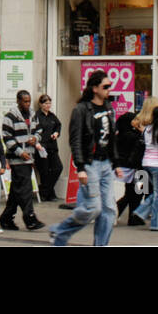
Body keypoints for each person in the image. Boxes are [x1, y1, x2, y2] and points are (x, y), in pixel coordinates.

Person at [51, 70, 118, 247]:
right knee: (93, 208)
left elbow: (111, 138)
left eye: (109, 86)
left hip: (106, 164)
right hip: (91, 164)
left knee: (109, 210)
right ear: (95, 88)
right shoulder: (81, 110)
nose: (108, 89)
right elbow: (75, 140)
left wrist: (116, 162)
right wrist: (80, 167)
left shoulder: (109, 108)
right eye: (105, 86)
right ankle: (61, 230)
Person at [0, 89, 45, 231]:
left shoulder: (33, 114)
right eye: (25, 101)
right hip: (17, 159)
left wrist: (35, 138)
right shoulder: (10, 117)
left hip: (29, 157)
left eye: (29, 101)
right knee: (26, 188)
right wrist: (20, 152)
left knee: (16, 190)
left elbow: (39, 130)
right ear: (18, 101)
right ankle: (30, 218)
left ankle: (6, 218)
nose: (28, 104)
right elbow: (7, 138)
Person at [114, 108, 147, 226]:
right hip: (136, 167)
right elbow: (141, 147)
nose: (137, 121)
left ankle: (129, 215)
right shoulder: (133, 136)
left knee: (131, 193)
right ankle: (133, 216)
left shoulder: (120, 134)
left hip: (129, 167)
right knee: (138, 192)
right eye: (135, 119)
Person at [34, 94, 63, 201]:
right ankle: (49, 194)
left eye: (49, 103)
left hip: (52, 146)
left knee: (58, 168)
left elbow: (58, 125)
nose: (48, 105)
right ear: (40, 104)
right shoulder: (36, 116)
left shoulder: (52, 115)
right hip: (42, 147)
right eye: (46, 103)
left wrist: (56, 133)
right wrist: (37, 143)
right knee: (44, 171)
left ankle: (45, 191)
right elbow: (33, 130)